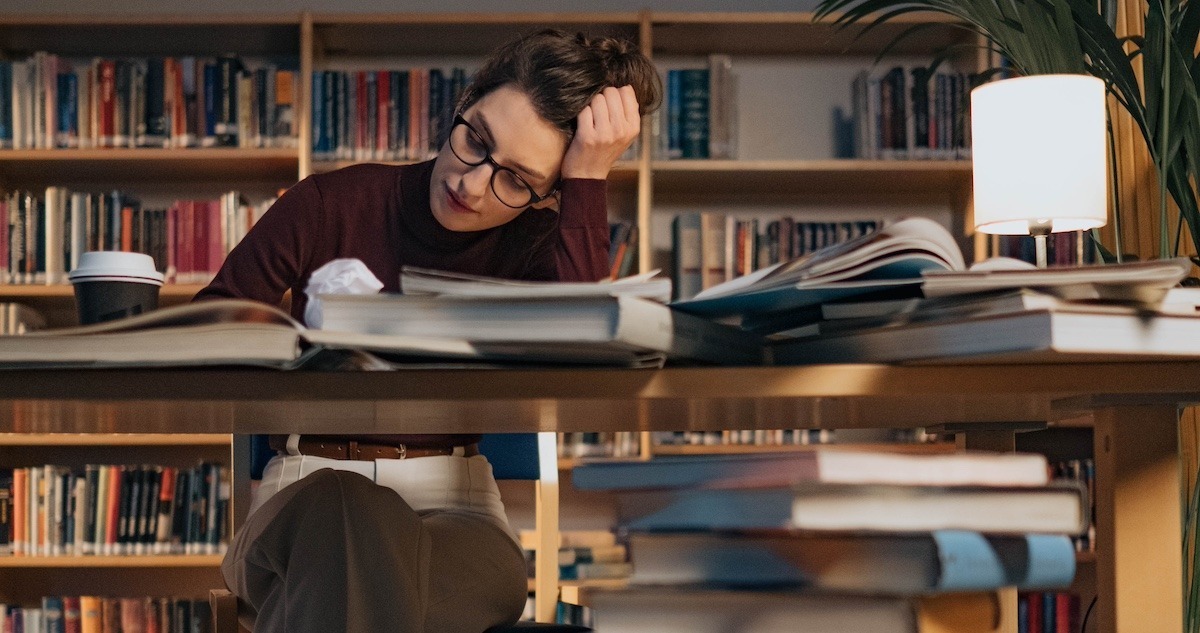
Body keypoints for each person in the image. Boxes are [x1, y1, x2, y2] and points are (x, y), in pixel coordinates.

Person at [193, 29, 661, 633]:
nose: (471, 183)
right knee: (349, 513)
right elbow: (211, 327)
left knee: (334, 597)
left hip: (459, 510)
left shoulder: (535, 246)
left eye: (517, 180)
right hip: (310, 491)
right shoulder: (329, 203)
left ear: (549, 191)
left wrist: (589, 179)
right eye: (476, 139)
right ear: (463, 104)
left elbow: (591, 366)